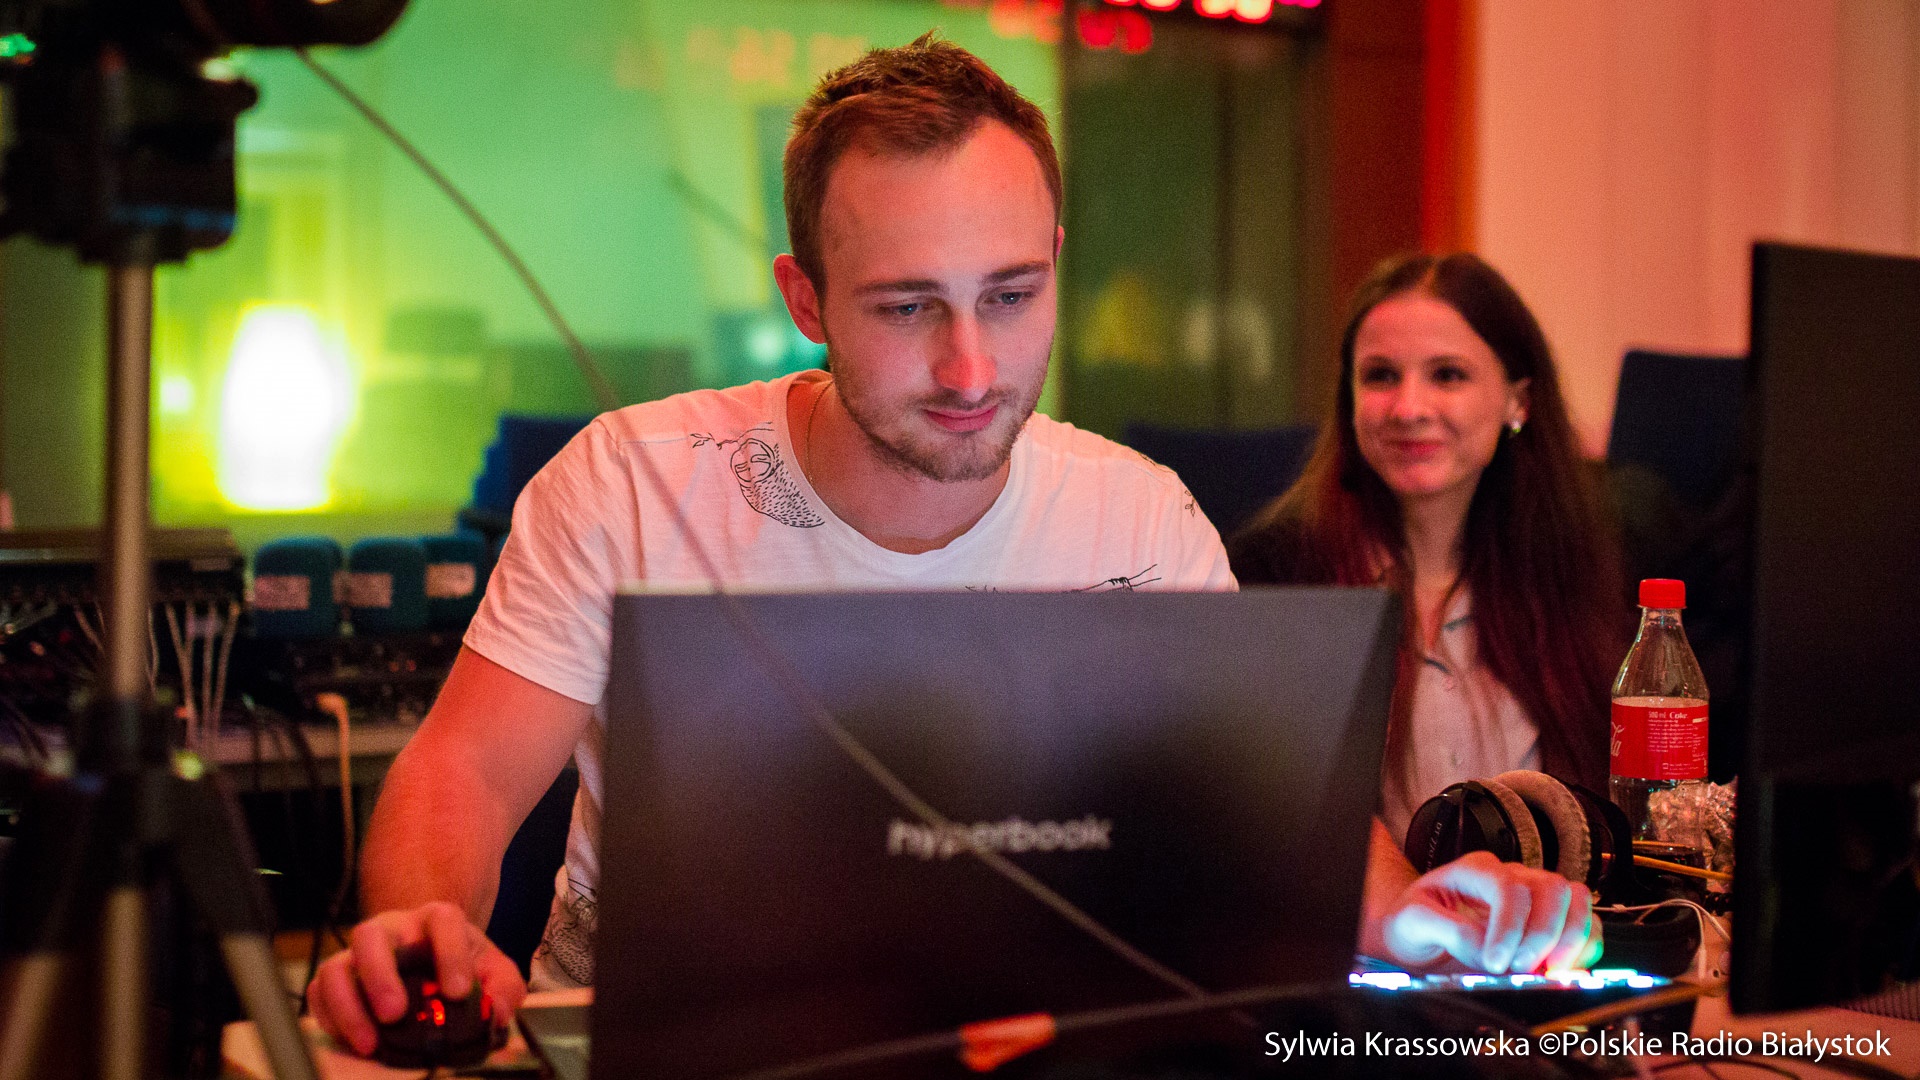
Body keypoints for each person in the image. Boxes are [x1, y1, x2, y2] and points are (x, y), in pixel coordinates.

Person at [309, 42, 1598, 1059]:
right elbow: (464, 774)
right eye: (908, 307)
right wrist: (422, 929)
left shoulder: (1140, 518)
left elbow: (1281, 821)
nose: (972, 368)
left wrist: (1404, 912)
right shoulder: (628, 480)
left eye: (1011, 296)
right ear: (805, 299)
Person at [1229, 252, 1629, 843]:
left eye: (1447, 375)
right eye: (1380, 376)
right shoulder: (1273, 575)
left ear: (1518, 401)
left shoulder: (1580, 567)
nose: (1409, 409)